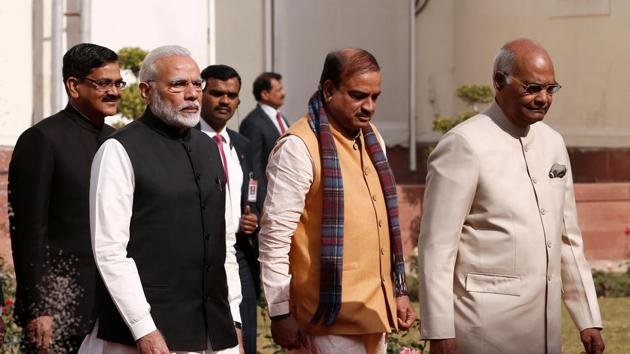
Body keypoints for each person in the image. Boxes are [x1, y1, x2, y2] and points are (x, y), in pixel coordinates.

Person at [418, 38, 604, 354]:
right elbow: (437, 246)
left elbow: (568, 239)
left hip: (544, 330)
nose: (543, 98)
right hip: (483, 328)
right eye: (532, 88)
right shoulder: (464, 144)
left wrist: (588, 319)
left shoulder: (553, 143)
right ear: (499, 82)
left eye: (550, 89)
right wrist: (439, 330)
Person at [82, 45, 242, 354]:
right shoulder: (119, 150)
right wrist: (143, 328)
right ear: (146, 90)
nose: (192, 94)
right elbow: (110, 252)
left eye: (197, 84)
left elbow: (225, 243)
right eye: (178, 85)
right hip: (146, 335)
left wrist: (233, 319)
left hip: (214, 332)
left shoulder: (210, 149)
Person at [258, 48, 416, 354]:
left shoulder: (372, 139)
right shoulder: (298, 147)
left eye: (375, 97)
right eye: (358, 95)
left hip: (373, 312)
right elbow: (274, 239)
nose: (369, 107)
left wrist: (397, 294)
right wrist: (280, 313)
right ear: (329, 90)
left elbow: (381, 227)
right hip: (325, 318)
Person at [8, 43, 120, 353]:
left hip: (113, 306)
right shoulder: (42, 139)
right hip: (60, 307)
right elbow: (28, 231)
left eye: (118, 83)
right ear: (74, 85)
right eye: (104, 83)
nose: (114, 92)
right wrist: (38, 307)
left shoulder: (118, 141)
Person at [198, 64, 261, 354]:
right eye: (217, 93)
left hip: (240, 251)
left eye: (232, 95)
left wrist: (252, 217)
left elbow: (253, 190)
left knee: (245, 334)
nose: (225, 101)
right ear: (200, 94)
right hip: (201, 255)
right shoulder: (187, 142)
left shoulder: (243, 145)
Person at [239, 72, 288, 210]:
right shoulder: (253, 122)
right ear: (265, 94)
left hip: (285, 195)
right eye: (278, 90)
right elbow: (253, 166)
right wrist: (261, 205)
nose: (283, 93)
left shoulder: (281, 118)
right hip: (269, 199)